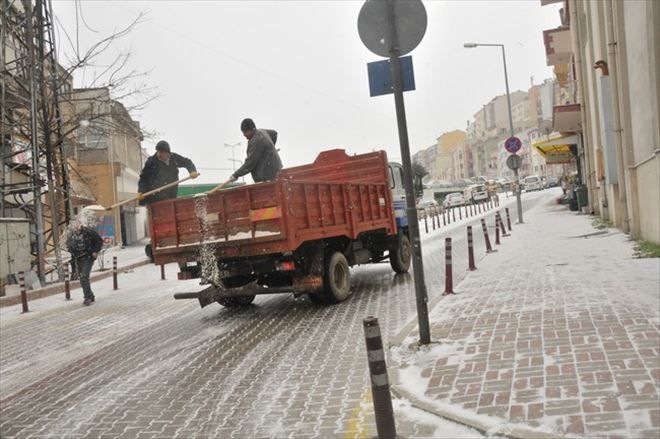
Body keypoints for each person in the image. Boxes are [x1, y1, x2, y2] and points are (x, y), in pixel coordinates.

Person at [137, 140, 199, 206]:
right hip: (155, 195)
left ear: (167, 152)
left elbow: (187, 162)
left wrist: (192, 171)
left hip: (171, 193)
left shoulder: (174, 158)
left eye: (161, 152)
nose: (159, 154)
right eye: (158, 152)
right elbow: (144, 178)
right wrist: (141, 191)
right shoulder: (152, 162)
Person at [229, 118, 282, 184]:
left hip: (268, 177)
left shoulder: (256, 141)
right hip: (277, 172)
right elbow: (274, 133)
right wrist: (269, 150)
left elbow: (249, 163)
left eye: (245, 132)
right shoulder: (262, 131)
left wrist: (236, 175)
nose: (244, 135)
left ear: (251, 129)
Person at [66, 220, 103, 306]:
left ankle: (87, 298)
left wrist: (95, 251)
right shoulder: (71, 235)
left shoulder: (88, 232)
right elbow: (70, 247)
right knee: (82, 278)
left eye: (76, 224)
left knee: (84, 276)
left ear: (80, 224)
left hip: (88, 257)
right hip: (78, 258)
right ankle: (90, 295)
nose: (75, 227)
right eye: (73, 225)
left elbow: (99, 240)